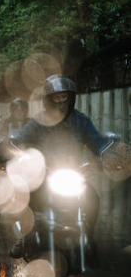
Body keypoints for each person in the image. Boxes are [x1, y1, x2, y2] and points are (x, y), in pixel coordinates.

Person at [9, 74, 124, 259]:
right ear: (48, 99)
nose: (61, 101)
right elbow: (20, 139)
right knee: (25, 197)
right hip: (44, 175)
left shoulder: (81, 120)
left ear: (71, 98)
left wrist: (107, 153)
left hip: (74, 174)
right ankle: (25, 237)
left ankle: (89, 237)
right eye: (57, 97)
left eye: (64, 97)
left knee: (93, 199)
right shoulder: (38, 122)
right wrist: (14, 149)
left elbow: (97, 141)